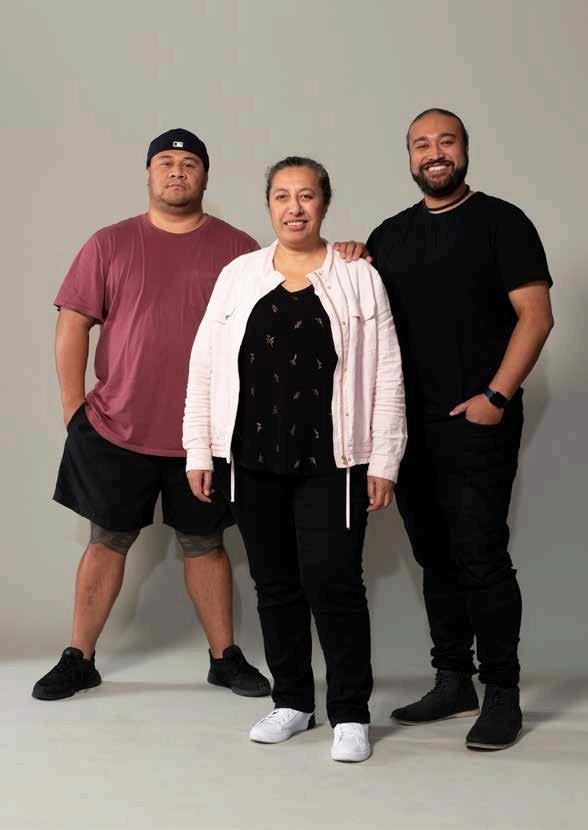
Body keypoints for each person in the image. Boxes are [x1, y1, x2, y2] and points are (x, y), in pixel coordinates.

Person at [33, 129, 271, 701]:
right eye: (165, 162)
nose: (177, 171)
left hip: (204, 434)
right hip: (117, 428)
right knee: (107, 541)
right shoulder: (109, 243)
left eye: (190, 163)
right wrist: (72, 410)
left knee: (205, 543)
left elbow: (269, 327)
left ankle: (224, 658)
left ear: (206, 176)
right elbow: (73, 323)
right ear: (148, 173)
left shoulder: (239, 248)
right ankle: (79, 658)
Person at [183, 157, 407, 762]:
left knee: (334, 584)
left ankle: (350, 713)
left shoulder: (358, 276)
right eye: (282, 196)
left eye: (306, 196)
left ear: (324, 204)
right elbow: (205, 366)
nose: (294, 208)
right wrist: (199, 449)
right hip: (251, 459)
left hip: (333, 460)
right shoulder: (238, 275)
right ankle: (292, 702)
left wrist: (384, 460)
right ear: (269, 205)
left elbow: (388, 372)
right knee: (274, 584)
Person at [358, 108, 554, 750]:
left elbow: (536, 315)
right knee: (433, 556)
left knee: (480, 555)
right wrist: (350, 256)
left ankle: (501, 692)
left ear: (465, 151)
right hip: (406, 430)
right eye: (422, 144)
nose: (434, 152)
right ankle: (453, 680)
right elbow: (362, 316)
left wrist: (497, 396)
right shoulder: (389, 235)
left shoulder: (503, 221)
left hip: (477, 421)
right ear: (409, 158)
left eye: (446, 141)